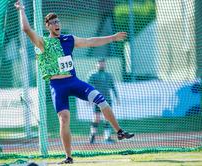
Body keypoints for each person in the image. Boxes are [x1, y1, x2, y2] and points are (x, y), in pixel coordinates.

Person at [15, 1, 134, 164]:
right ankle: (68, 157)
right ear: (48, 26)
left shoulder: (69, 39)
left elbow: (91, 41)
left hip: (74, 81)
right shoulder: (43, 42)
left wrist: (112, 38)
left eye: (58, 21)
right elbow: (26, 29)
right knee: (64, 118)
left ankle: (119, 131)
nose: (57, 24)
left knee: (101, 100)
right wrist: (21, 9)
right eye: (53, 22)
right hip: (57, 86)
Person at [88, 58, 119, 144]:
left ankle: (107, 137)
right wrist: (89, 99)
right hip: (97, 99)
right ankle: (92, 136)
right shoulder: (93, 75)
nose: (101, 64)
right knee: (96, 118)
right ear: (96, 64)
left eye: (103, 63)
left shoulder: (109, 75)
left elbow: (113, 87)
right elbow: (88, 88)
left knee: (107, 118)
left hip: (107, 99)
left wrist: (117, 98)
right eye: (100, 63)